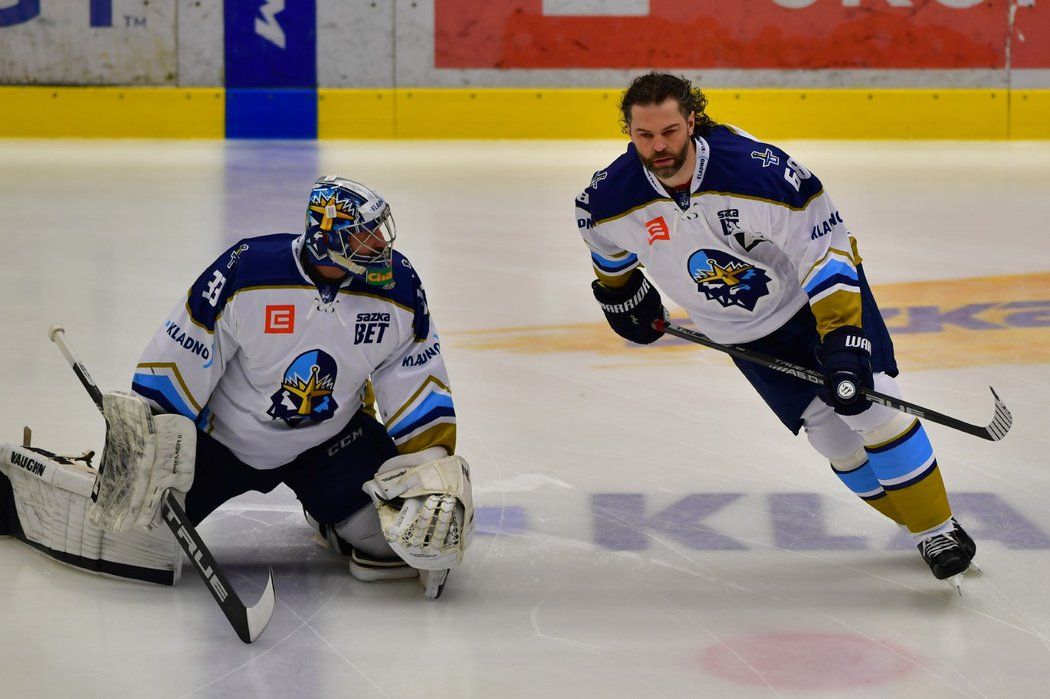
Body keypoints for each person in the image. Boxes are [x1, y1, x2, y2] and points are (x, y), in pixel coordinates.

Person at [575, 72, 975, 586]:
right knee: (832, 438)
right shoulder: (607, 198)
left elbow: (825, 253)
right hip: (741, 332)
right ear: (629, 132)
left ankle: (935, 529)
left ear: (692, 121)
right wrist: (619, 295)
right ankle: (919, 521)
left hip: (811, 302)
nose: (659, 147)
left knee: (868, 401)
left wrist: (840, 338)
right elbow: (608, 250)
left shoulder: (762, 173)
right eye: (644, 136)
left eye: (670, 132)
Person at [1, 176, 472, 600]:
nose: (379, 244)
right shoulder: (247, 272)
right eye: (363, 234)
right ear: (326, 235)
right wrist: (143, 453)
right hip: (220, 444)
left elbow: (416, 380)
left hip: (330, 441)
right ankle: (24, 480)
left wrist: (431, 470)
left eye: (378, 231)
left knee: (398, 540)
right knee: (129, 542)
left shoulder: (399, 287)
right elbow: (176, 362)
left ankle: (334, 516)